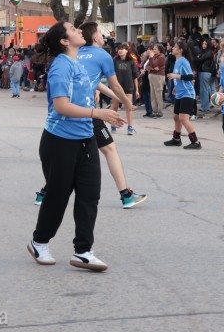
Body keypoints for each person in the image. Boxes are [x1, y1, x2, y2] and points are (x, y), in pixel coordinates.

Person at [27, 21, 124, 272]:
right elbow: (61, 106)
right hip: (59, 141)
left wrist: (118, 99)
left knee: (90, 194)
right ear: (64, 41)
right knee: (58, 197)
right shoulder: (60, 67)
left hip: (85, 138)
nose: (79, 30)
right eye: (72, 29)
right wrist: (97, 113)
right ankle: (39, 242)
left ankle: (83, 251)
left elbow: (93, 85)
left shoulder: (77, 62)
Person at [34, 22, 147, 209]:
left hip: (71, 113)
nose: (104, 37)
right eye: (101, 34)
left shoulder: (74, 55)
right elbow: (115, 85)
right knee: (109, 150)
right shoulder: (102, 55)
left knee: (69, 160)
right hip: (84, 112)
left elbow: (91, 83)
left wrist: (111, 98)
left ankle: (46, 193)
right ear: (95, 38)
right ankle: (126, 195)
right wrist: (126, 103)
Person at [164, 39, 202, 149]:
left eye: (175, 47)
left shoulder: (184, 61)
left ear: (180, 50)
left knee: (183, 118)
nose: (172, 48)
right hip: (180, 93)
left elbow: (190, 77)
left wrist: (176, 76)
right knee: (176, 117)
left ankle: (196, 142)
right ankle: (176, 139)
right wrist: (176, 87)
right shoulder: (177, 60)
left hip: (187, 93)